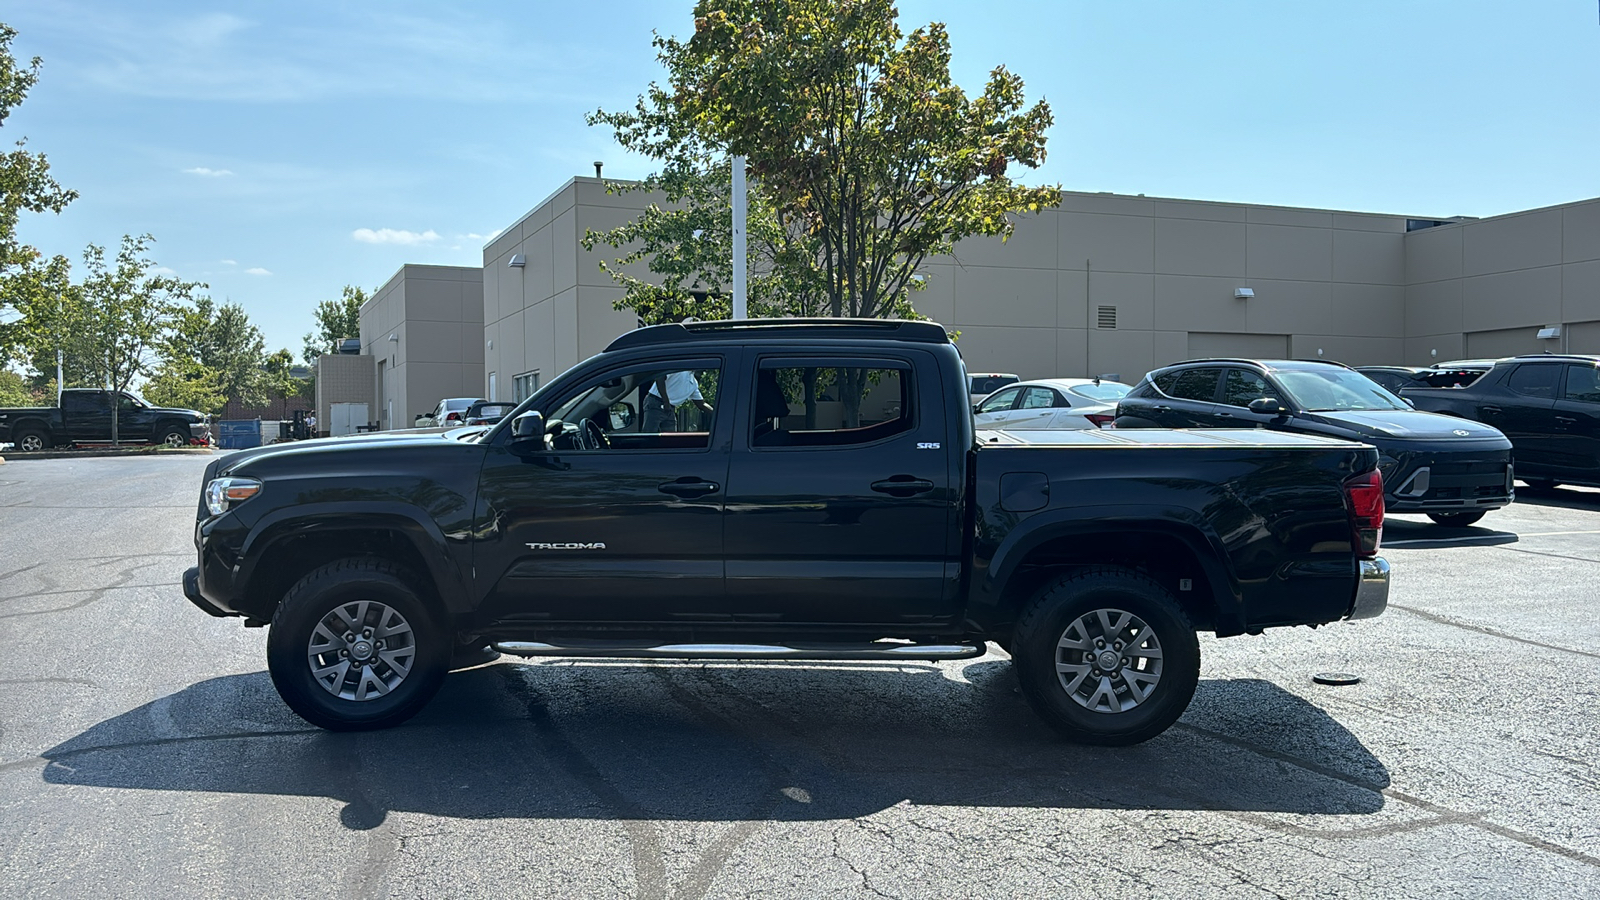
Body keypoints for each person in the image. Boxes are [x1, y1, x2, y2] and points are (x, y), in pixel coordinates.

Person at [644, 371, 713, 432]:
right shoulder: (679, 371)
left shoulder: (693, 384)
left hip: (670, 408)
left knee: (670, 438)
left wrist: (716, 413)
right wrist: (666, 401)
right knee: (649, 434)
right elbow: (660, 378)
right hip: (656, 402)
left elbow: (701, 404)